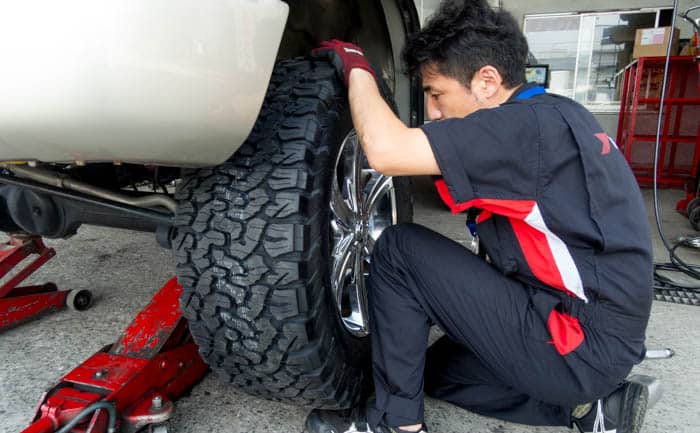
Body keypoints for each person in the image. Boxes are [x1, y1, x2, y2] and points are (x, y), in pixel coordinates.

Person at [305, 1, 654, 432]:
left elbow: (387, 152)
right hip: (599, 338)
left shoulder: (521, 129)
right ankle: (592, 409)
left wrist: (359, 70)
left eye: (436, 94)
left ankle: (395, 425)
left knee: (399, 252)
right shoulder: (560, 116)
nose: (432, 111)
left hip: (575, 342)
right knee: (430, 370)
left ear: (487, 81)